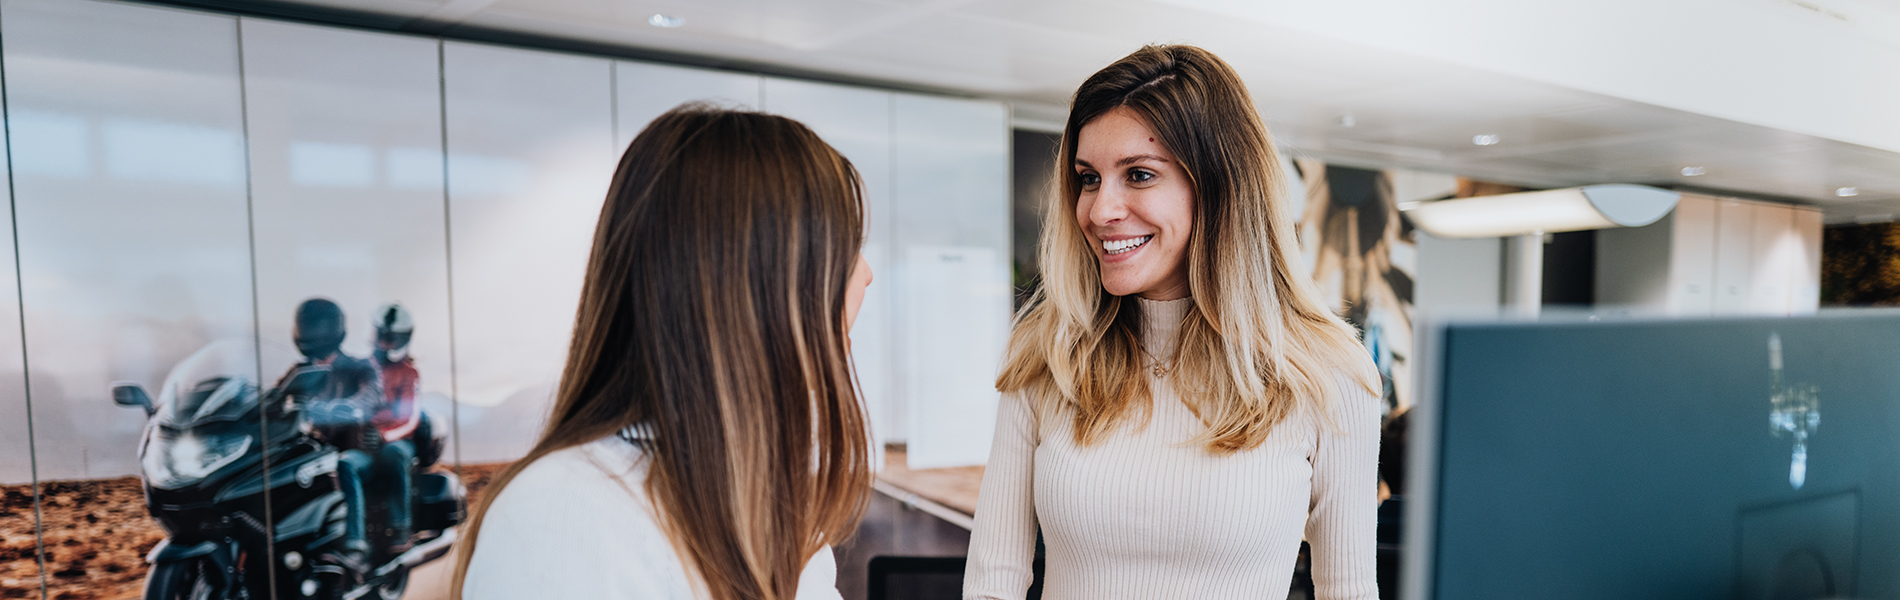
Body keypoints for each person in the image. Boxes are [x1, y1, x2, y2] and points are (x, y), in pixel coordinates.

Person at [963, 45, 1383, 600]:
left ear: (1219, 187)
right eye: (1088, 178)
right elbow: (993, 583)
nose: (1098, 209)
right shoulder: (1049, 354)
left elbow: (1349, 590)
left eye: (1138, 175)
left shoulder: (1328, 374)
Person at [452, 105, 876, 600]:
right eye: (846, 247)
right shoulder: (566, 516)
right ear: (753, 285)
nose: (865, 272)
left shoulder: (768, 502)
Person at [282, 298, 386, 567]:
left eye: (315, 325)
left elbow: (370, 396)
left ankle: (356, 545)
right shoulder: (299, 372)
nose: (310, 331)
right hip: (313, 452)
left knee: (344, 465)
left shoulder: (360, 367)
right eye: (306, 325)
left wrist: (348, 408)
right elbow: (273, 399)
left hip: (356, 451)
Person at [368, 302, 419, 551]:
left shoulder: (408, 373)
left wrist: (385, 436)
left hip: (397, 440)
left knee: (394, 454)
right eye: (382, 336)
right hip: (366, 439)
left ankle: (401, 527)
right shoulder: (365, 368)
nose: (384, 343)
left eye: (391, 339)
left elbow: (410, 418)